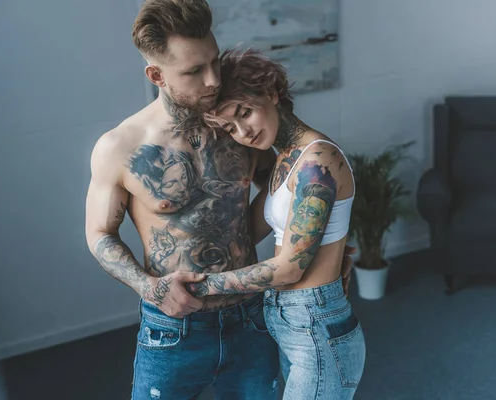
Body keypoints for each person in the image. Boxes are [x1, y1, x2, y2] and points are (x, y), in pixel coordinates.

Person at [84, 0, 353, 398]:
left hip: (252, 317)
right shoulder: (120, 147)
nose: (212, 80)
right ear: (156, 74)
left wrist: (332, 246)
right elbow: (100, 233)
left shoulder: (235, 128)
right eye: (194, 71)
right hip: (173, 328)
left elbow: (288, 191)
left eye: (214, 62)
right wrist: (148, 287)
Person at [189, 49, 366, 399]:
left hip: (316, 326)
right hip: (291, 322)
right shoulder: (286, 157)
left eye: (245, 113)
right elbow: (250, 231)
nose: (243, 132)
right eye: (230, 127)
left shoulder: (318, 158)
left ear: (271, 93)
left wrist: (202, 286)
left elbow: (289, 269)